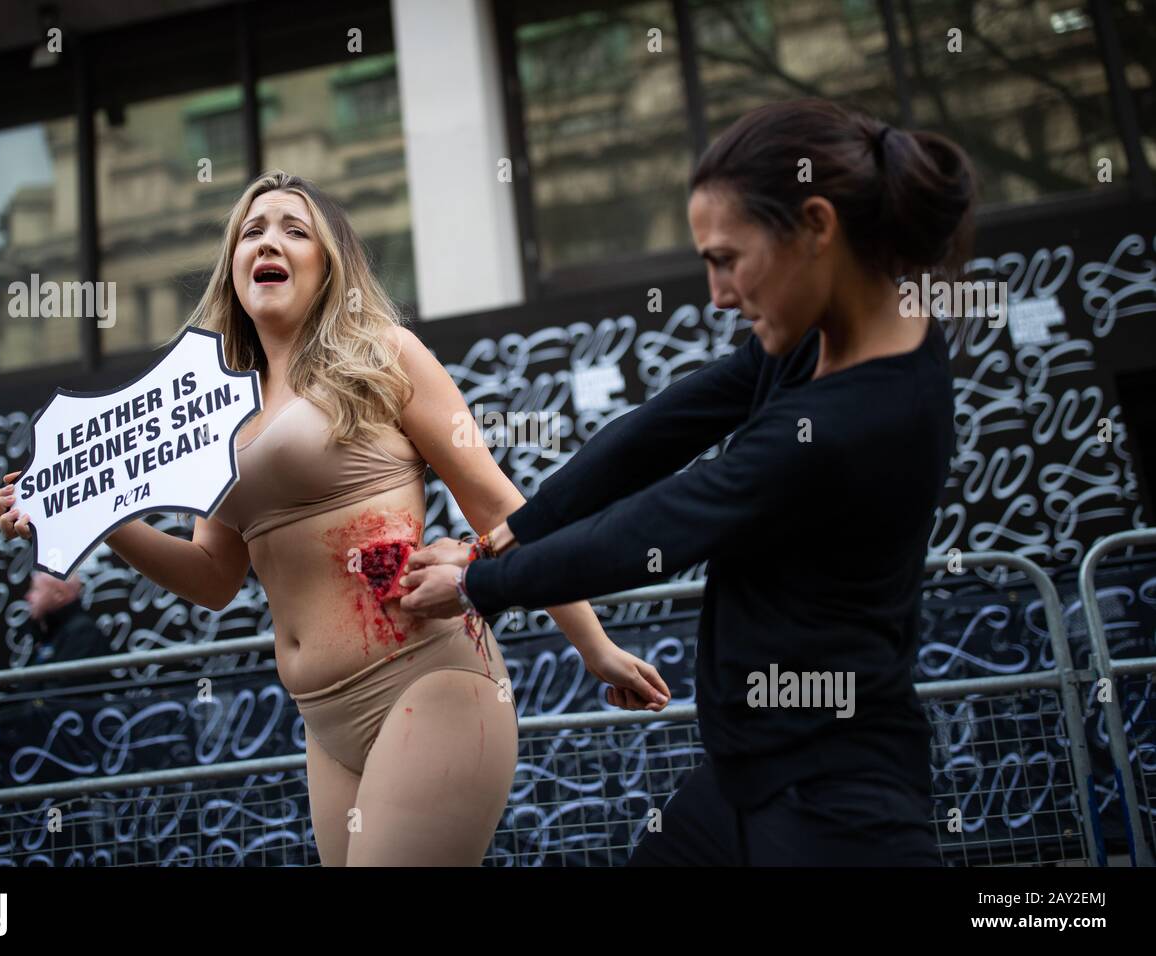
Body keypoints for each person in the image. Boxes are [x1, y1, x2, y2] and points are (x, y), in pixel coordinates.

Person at [0, 171, 670, 866]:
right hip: (325, 721)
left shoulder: (381, 355)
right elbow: (213, 578)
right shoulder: (212, 410)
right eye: (251, 231)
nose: (268, 241)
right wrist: (100, 516)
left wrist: (593, 645)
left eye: (294, 229)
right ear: (233, 266)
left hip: (428, 678)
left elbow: (496, 503)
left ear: (329, 262)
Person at [400, 98, 974, 865]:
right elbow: (661, 429)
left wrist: (482, 581)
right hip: (746, 784)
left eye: (726, 258)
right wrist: (520, 528)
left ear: (816, 226)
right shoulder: (818, 339)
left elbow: (660, 527)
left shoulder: (864, 414)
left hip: (836, 806)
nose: (718, 294)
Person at [22, 571, 109, 667]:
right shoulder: (49, 631)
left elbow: (67, 680)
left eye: (35, 589)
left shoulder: (83, 633)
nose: (28, 597)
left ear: (59, 595)